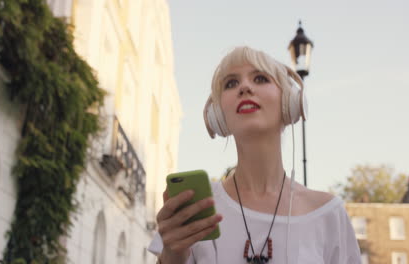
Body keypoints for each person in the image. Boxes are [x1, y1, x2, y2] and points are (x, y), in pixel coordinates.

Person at [148, 46, 361, 263]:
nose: (245, 87)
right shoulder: (197, 210)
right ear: (218, 116)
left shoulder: (328, 214)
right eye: (231, 83)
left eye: (260, 78)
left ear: (290, 102)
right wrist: (171, 256)